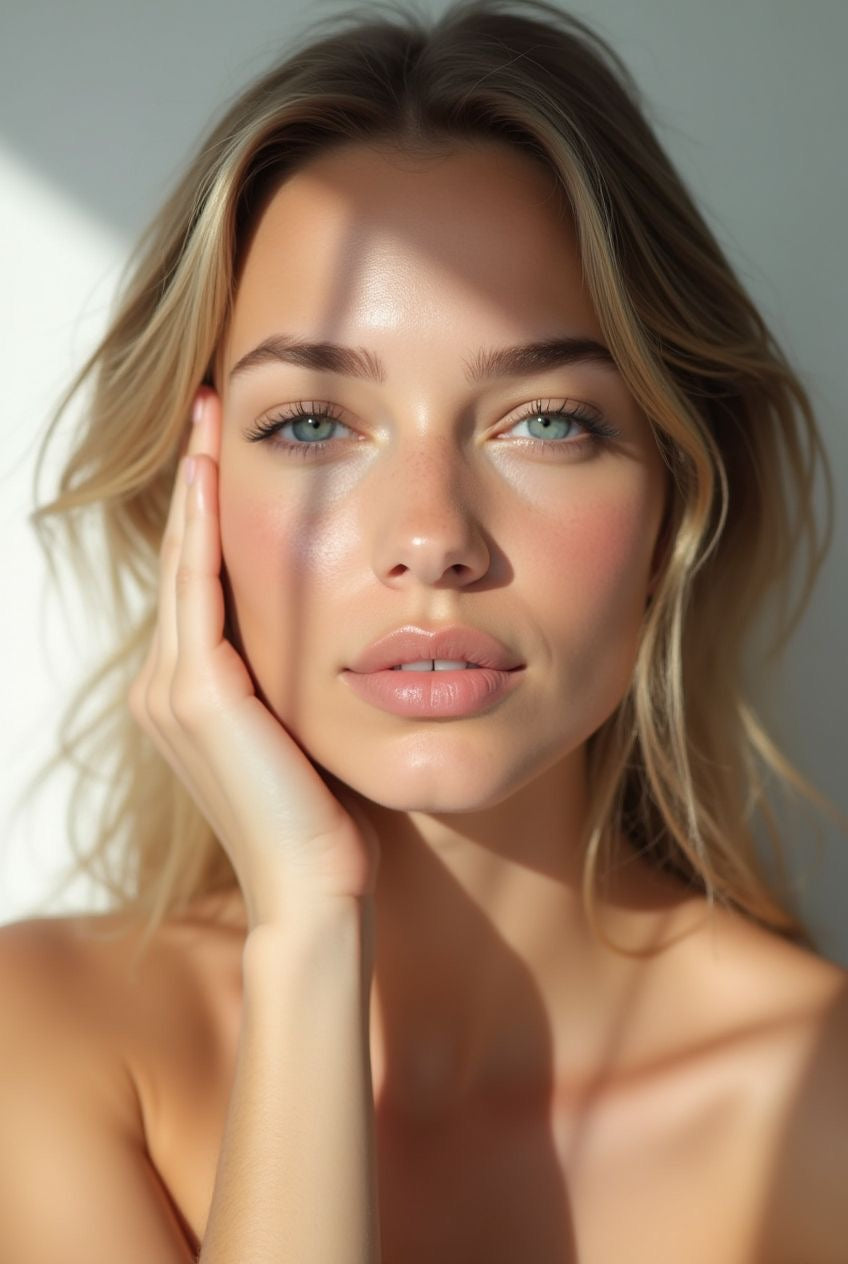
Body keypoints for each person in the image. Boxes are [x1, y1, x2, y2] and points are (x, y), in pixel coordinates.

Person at [2, 0, 846, 1259]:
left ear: (677, 492)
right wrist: (306, 930)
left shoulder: (816, 1099)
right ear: (194, 499)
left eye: (545, 420)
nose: (431, 537)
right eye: (310, 424)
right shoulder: (46, 1037)